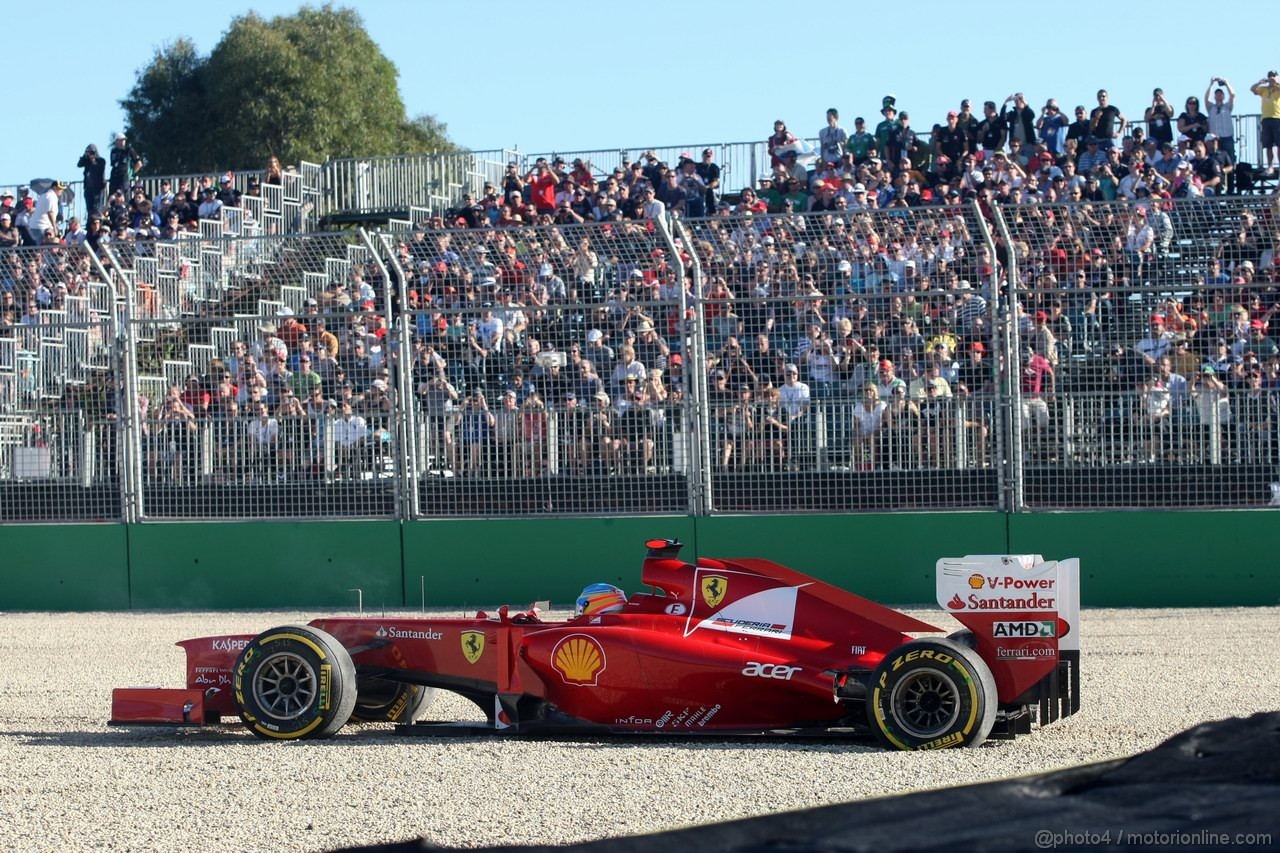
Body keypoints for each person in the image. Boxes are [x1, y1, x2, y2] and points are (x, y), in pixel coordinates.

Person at [1250, 70, 1280, 175]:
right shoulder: (1264, 89)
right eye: (1270, 76)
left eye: (1273, 76)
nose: (1271, 77)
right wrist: (1260, 82)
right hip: (1266, 119)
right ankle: (1270, 167)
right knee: (1268, 145)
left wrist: (1276, 82)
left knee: (1279, 144)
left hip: (1278, 118)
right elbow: (1252, 89)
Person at [1205, 77, 1237, 160]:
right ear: (1214, 96)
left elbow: (1232, 95)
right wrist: (1211, 85)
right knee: (1216, 159)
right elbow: (1206, 99)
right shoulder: (1211, 108)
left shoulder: (1227, 107)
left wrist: (1226, 83)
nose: (1219, 95)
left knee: (1230, 158)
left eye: (1220, 94)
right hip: (1215, 139)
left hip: (1227, 137)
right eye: (1217, 94)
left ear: (1223, 96)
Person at [77, 144, 107, 215]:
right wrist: (85, 155)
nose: (91, 154)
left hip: (98, 188)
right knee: (89, 207)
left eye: (92, 152)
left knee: (97, 207)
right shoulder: (87, 161)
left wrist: (93, 161)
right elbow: (79, 164)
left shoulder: (101, 160)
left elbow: (99, 170)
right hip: (88, 188)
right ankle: (90, 221)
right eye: (89, 152)